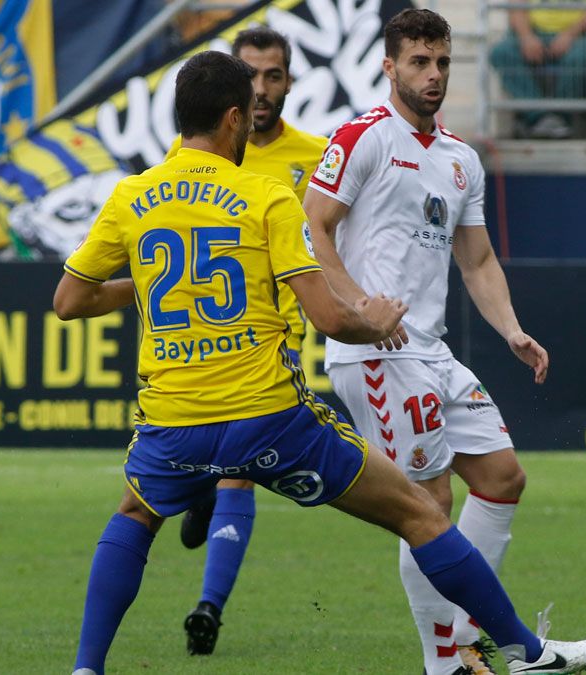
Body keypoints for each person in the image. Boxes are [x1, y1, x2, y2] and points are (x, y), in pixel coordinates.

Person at [58, 50, 586, 675]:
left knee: (135, 514)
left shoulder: (133, 197)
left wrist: (151, 281)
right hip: (270, 417)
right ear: (234, 120)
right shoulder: (265, 196)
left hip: (175, 421)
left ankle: (86, 668)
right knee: (420, 512)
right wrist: (372, 319)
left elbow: (70, 300)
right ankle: (526, 653)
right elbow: (328, 318)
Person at [303, 9, 556, 675]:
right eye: (419, 61)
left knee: (503, 477)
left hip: (433, 350)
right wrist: (356, 305)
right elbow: (314, 226)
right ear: (389, 66)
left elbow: (476, 261)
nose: (434, 74)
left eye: (442, 61)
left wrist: (511, 328)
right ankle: (445, 662)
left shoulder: (459, 158)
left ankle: (468, 634)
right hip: (377, 352)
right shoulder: (361, 138)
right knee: (428, 504)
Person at [162, 25, 330, 656]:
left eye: (275, 76)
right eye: (251, 76)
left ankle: (208, 607)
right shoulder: (197, 159)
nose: (262, 90)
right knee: (220, 470)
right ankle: (201, 491)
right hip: (201, 344)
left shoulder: (315, 159)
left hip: (271, 343)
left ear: (289, 82)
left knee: (238, 475)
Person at [489, 1, 586, 138]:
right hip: (534, 31)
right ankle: (540, 117)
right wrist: (526, 36)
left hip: (581, 33)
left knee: (581, 56)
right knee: (502, 53)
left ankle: (560, 117)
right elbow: (516, 6)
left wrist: (570, 34)